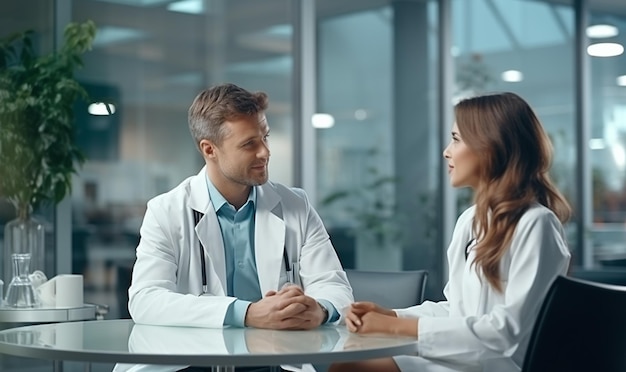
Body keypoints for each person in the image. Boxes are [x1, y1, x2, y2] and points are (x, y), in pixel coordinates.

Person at [329, 92, 572, 372]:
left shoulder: (537, 224)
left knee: (357, 365)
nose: (447, 151)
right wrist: (392, 314)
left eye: (456, 139)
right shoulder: (470, 221)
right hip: (467, 359)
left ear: (490, 147)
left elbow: (507, 333)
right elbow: (455, 310)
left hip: (500, 365)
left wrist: (398, 327)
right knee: (351, 361)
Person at [121, 83, 353, 372]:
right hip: (191, 364)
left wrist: (318, 309)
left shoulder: (296, 205)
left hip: (275, 363)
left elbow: (335, 287)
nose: (265, 152)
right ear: (209, 149)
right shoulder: (166, 211)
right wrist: (247, 313)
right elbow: (146, 301)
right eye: (249, 144)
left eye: (264, 138)